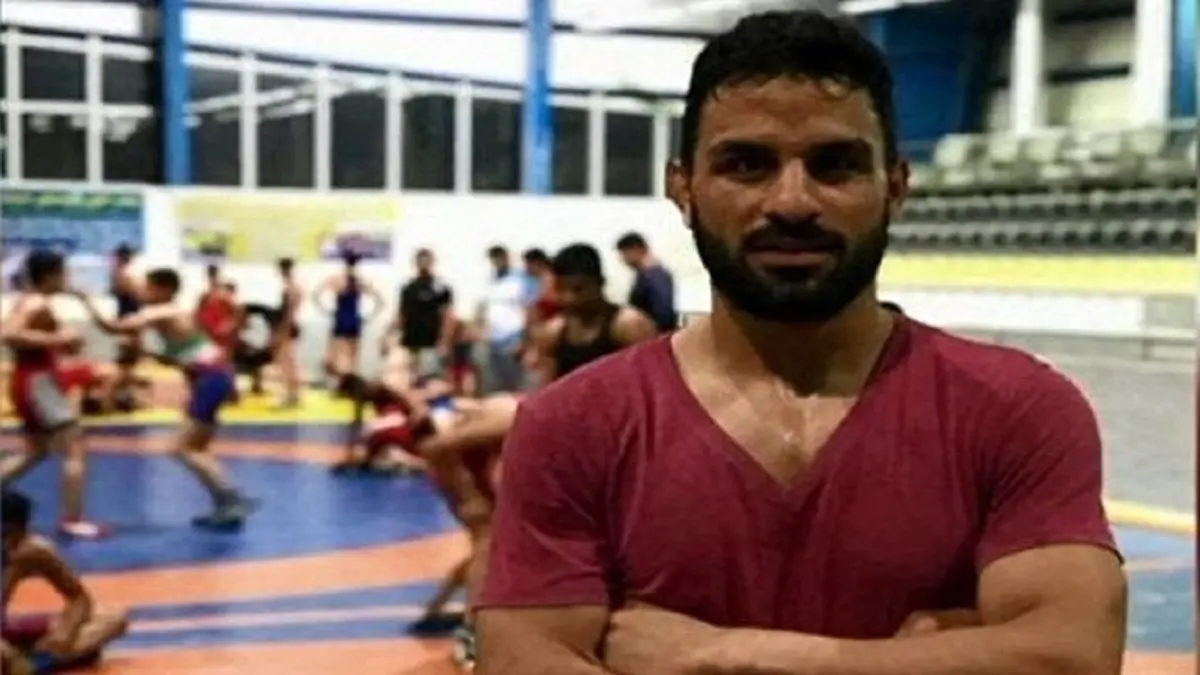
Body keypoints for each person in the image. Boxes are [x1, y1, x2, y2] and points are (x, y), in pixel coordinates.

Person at [475, 11, 1125, 675]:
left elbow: (1069, 660)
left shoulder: (1017, 410)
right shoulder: (572, 425)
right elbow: (522, 661)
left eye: (834, 165)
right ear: (683, 188)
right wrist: (919, 661)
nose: (791, 202)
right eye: (746, 165)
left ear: (896, 187)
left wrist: (727, 656)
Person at [73, 268, 257, 528]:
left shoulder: (162, 311)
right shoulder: (174, 314)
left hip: (211, 379)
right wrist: (152, 354)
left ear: (163, 290)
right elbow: (183, 355)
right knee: (196, 447)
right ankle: (227, 503)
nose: (141, 291)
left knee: (182, 448)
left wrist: (85, 299)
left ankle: (232, 499)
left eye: (147, 287)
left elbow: (112, 327)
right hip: (214, 377)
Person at [0, 250, 107, 538]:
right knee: (75, 447)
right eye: (64, 273)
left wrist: (63, 342)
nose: (67, 279)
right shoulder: (35, 302)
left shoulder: (35, 302)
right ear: (51, 275)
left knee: (36, 451)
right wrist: (58, 338)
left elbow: (40, 340)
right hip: (38, 384)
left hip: (34, 381)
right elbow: (8, 333)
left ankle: (72, 518)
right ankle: (73, 520)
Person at [1, 491, 129, 674]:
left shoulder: (32, 551)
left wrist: (64, 633)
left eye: (10, 536)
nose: (5, 544)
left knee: (114, 618)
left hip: (9, 632)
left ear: (23, 531)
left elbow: (79, 598)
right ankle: (45, 660)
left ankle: (32, 663)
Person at [527, 244, 658, 385]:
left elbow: (655, 380)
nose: (569, 298)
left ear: (600, 283)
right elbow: (546, 389)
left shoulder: (629, 325)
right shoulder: (554, 332)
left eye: (579, 289)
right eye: (561, 289)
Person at [313, 251, 383, 388]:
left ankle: (343, 384)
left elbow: (316, 295)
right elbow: (379, 301)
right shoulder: (357, 281)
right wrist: (369, 317)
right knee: (348, 356)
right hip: (351, 319)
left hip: (343, 319)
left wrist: (326, 311)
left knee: (339, 355)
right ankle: (346, 384)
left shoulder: (341, 280)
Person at [477, 246, 538, 393]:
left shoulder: (522, 279)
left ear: (507, 257)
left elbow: (530, 309)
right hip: (494, 341)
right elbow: (485, 308)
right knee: (496, 387)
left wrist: (526, 340)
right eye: (493, 257)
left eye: (500, 256)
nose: (497, 261)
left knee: (518, 386)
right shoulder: (491, 281)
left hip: (515, 339)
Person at [390, 249, 454, 380]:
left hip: (432, 340)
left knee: (431, 376)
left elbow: (447, 315)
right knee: (412, 376)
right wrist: (394, 334)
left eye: (426, 261)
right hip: (411, 340)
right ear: (415, 263)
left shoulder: (441, 287)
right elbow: (401, 313)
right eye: (420, 261)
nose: (423, 264)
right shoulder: (408, 287)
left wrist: (445, 340)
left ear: (432, 262)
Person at [615, 232, 678, 333]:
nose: (623, 259)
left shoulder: (654, 275)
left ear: (637, 249)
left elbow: (663, 311)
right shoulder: (648, 274)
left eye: (624, 254)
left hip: (655, 335)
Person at [108, 244, 145, 404]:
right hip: (130, 321)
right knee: (128, 361)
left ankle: (126, 395)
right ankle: (114, 396)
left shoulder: (117, 273)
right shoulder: (125, 274)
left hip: (127, 319)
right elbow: (137, 295)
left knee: (129, 361)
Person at [273, 258, 303, 408]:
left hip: (288, 326)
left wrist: (283, 330)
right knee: (289, 360)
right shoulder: (292, 286)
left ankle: (291, 395)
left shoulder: (291, 287)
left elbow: (289, 311)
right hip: (290, 325)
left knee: (286, 361)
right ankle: (293, 394)